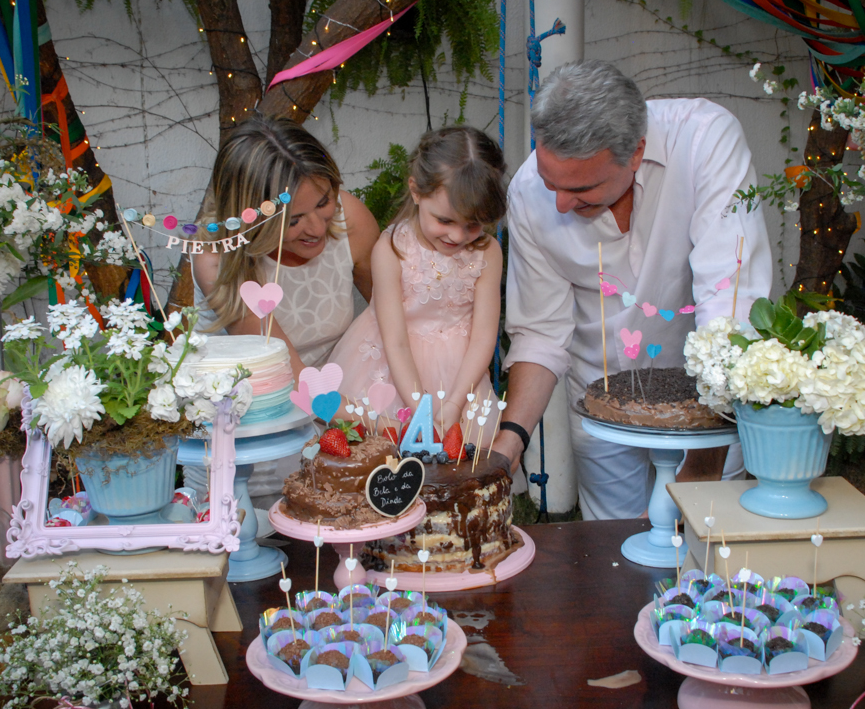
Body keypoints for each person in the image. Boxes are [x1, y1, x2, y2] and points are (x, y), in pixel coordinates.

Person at [494, 60, 772, 520]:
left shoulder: (706, 140)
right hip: (598, 408)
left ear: (637, 152)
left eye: (582, 188)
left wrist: (704, 460)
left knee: (705, 552)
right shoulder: (528, 193)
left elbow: (731, 304)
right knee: (615, 554)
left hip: (712, 410)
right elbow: (540, 334)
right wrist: (509, 445)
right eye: (551, 184)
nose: (560, 203)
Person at [189, 115, 379, 531]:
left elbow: (390, 320)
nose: (316, 228)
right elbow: (288, 374)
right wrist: (377, 426)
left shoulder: (352, 221)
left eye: (324, 202)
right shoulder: (217, 257)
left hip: (334, 426)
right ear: (250, 217)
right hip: (252, 444)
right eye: (292, 219)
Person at [328, 126, 507, 446]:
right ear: (416, 191)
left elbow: (483, 337)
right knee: (384, 465)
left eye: (473, 224)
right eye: (445, 220)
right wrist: (420, 409)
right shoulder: (392, 248)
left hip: (460, 379)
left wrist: (453, 404)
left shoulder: (487, 252)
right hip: (391, 367)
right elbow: (394, 340)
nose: (457, 236)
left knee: (462, 474)